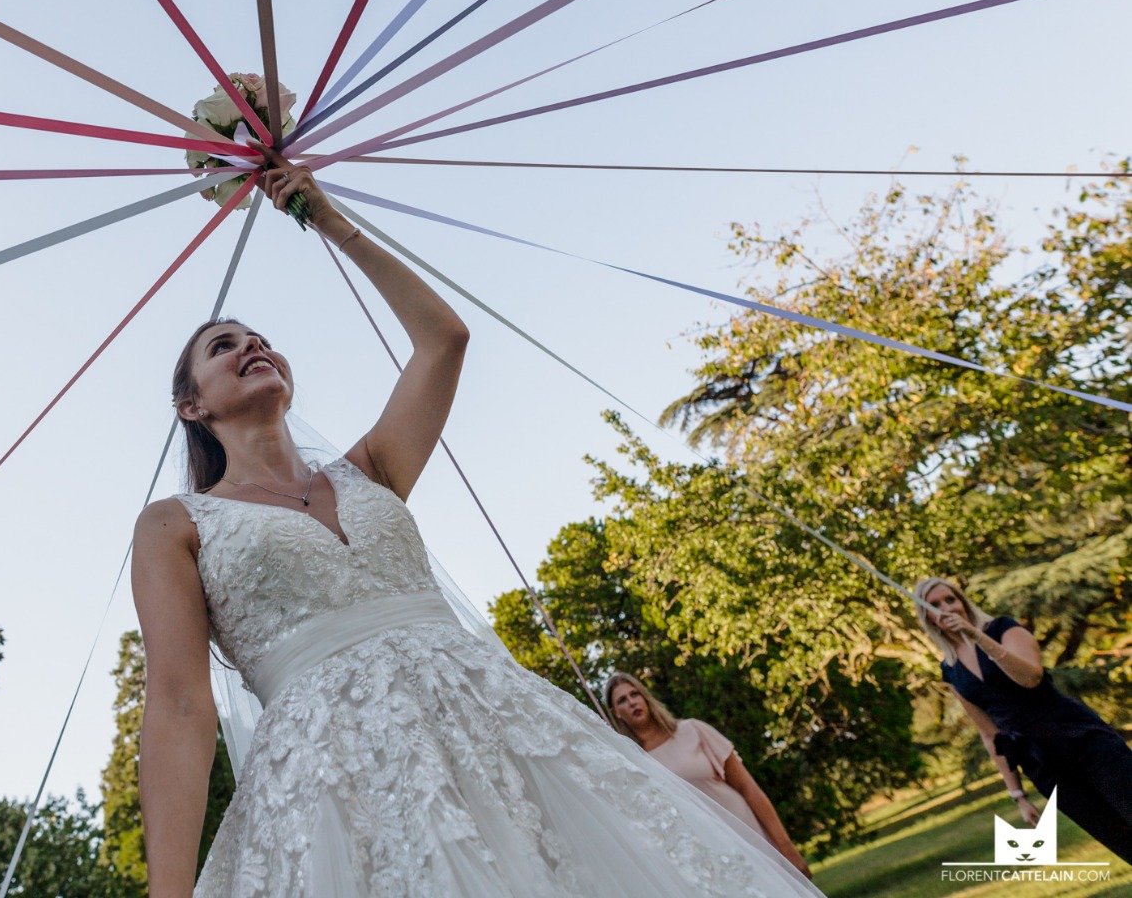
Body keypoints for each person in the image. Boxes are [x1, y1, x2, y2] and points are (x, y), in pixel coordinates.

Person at [131, 161, 822, 897]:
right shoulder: (175, 524)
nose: (250, 346)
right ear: (190, 405)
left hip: (492, 723)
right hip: (336, 776)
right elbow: (178, 704)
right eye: (222, 346)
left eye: (259, 337)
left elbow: (444, 339)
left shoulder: (370, 469)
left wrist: (324, 219)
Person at [917, 576, 1132, 862]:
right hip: (1042, 763)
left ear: (963, 602)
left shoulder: (1003, 628)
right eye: (934, 604)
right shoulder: (950, 669)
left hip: (1080, 737)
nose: (947, 607)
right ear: (927, 616)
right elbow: (989, 733)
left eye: (951, 599)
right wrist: (1017, 794)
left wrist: (978, 636)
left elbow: (1030, 678)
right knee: (1118, 838)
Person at [603, 672, 812, 877]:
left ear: (645, 697)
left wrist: (786, 846)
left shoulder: (693, 730)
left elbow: (747, 786)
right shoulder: (635, 763)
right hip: (711, 857)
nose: (631, 702)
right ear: (616, 712)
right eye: (622, 700)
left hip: (748, 832)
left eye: (635, 694)